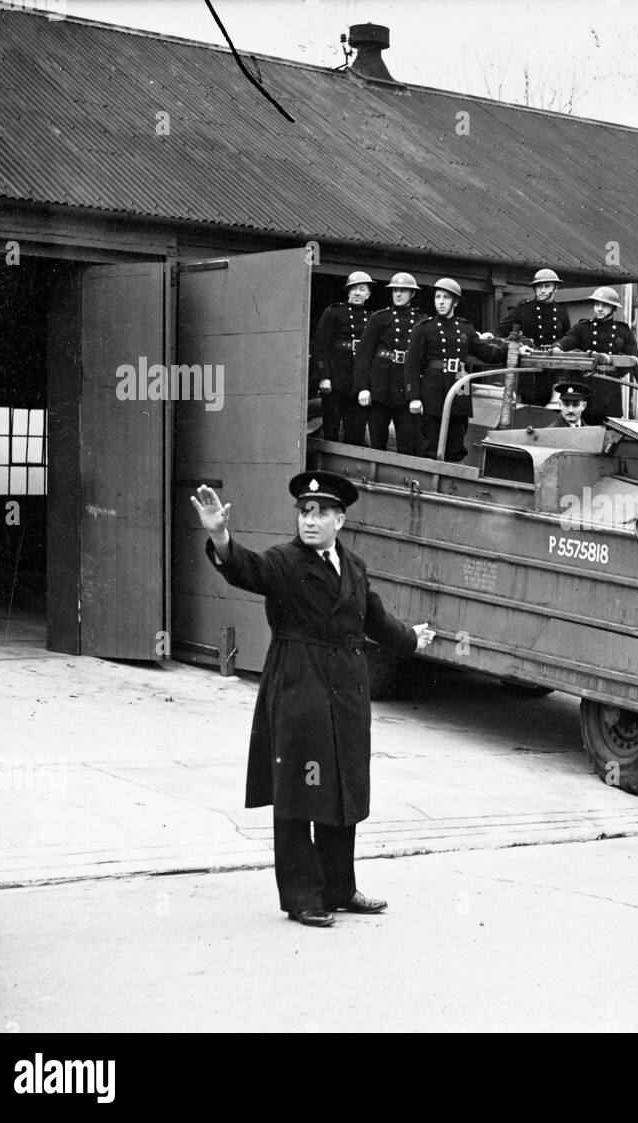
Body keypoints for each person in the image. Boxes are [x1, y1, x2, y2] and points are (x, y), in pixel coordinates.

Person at [189, 473, 435, 928]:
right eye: (305, 511)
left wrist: (411, 642)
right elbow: (246, 568)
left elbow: (375, 619)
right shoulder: (284, 562)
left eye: (321, 512)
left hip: (346, 690)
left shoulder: (354, 566)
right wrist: (219, 535)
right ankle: (303, 896)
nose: (311, 520)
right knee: (301, 792)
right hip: (299, 685)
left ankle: (340, 889)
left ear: (340, 519)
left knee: (342, 785)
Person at [405, 277, 508, 461]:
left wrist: (513, 348)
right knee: (431, 445)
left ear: (455, 302)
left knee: (456, 444)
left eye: (446, 297)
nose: (441, 302)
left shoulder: (465, 328)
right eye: (438, 297)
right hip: (432, 391)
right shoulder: (423, 328)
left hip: (460, 389)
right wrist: (414, 397)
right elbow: (412, 366)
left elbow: (488, 354)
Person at [553, 286, 638, 424]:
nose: (599, 309)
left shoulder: (622, 332)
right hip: (585, 387)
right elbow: (566, 342)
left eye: (605, 305)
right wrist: (557, 348)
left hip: (609, 390)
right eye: (597, 304)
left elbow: (636, 359)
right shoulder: (583, 328)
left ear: (613, 308)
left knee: (607, 431)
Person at [355, 272, 427, 454]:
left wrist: (418, 394)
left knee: (408, 444)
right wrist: (363, 387)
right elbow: (363, 355)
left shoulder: (422, 321)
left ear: (412, 294)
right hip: (380, 387)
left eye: (404, 291)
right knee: (376, 442)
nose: (399, 294)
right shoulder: (379, 318)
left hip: (406, 390)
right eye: (395, 290)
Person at [495, 268, 572, 406]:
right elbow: (501, 332)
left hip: (552, 369)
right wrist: (519, 345)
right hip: (529, 369)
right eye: (539, 287)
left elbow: (568, 338)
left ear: (555, 288)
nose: (542, 291)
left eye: (547, 286)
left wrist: (560, 347)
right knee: (528, 407)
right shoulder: (523, 309)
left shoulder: (561, 312)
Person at [312, 271, 373, 445]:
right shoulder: (333, 313)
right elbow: (320, 346)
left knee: (356, 432)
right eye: (353, 289)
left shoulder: (372, 318)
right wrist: (324, 377)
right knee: (331, 429)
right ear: (347, 292)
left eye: (362, 289)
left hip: (358, 384)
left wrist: (367, 385)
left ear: (368, 294)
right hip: (335, 382)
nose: (357, 293)